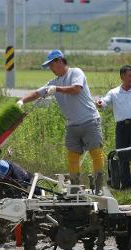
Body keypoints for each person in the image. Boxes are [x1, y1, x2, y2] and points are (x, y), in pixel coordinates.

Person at [17, 49, 104, 194]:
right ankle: (75, 189)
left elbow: (76, 89)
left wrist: (56, 89)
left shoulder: (76, 73)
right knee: (72, 157)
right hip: (72, 125)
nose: (50, 69)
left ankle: (99, 188)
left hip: (90, 121)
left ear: (59, 61)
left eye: (51, 65)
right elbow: (37, 93)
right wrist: (21, 101)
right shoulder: (54, 83)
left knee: (96, 153)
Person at [96, 65, 131, 189]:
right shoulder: (114, 92)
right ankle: (126, 186)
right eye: (129, 76)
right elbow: (105, 101)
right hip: (122, 128)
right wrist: (100, 103)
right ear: (122, 77)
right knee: (122, 157)